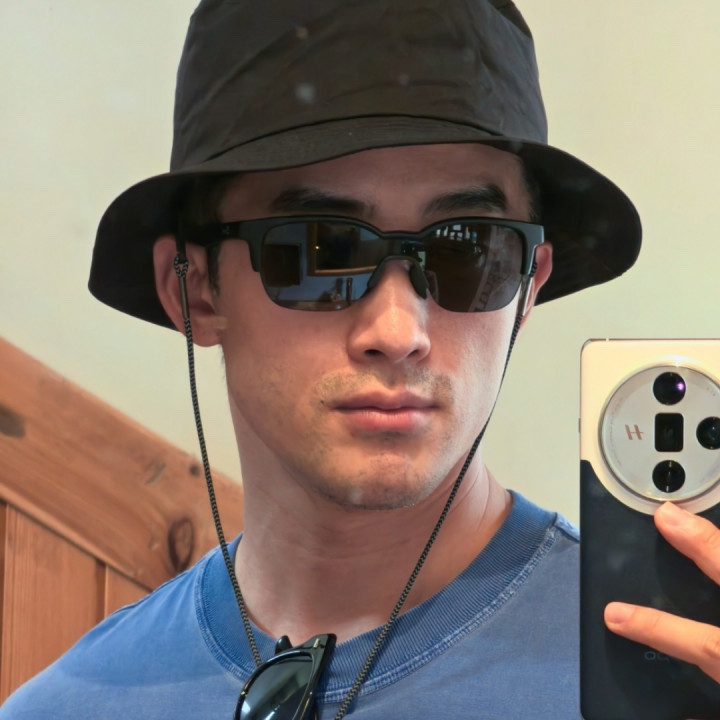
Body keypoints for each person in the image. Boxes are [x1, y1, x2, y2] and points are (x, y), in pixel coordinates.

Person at [3, 0, 720, 718]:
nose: (398, 330)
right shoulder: (70, 709)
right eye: (321, 251)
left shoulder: (669, 677)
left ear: (528, 286)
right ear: (194, 289)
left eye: (468, 250)